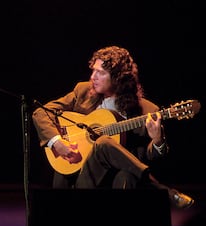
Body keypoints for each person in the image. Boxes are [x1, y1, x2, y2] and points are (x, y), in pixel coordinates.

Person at [32, 45, 194, 209]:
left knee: (108, 150)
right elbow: (40, 113)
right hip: (82, 176)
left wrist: (158, 139)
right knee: (103, 142)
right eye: (93, 70)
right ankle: (162, 189)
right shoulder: (83, 92)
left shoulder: (148, 111)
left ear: (118, 78)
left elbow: (152, 156)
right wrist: (57, 143)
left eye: (100, 73)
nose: (92, 77)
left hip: (120, 178)